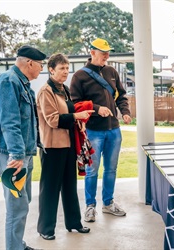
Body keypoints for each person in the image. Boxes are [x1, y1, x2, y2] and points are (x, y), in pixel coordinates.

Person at [0, 45, 46, 250]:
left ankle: (17, 244)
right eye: (40, 65)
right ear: (29, 63)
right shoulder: (8, 82)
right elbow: (9, 122)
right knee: (16, 207)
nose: (41, 69)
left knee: (23, 202)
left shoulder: (23, 84)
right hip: (11, 155)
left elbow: (27, 122)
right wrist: (17, 155)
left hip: (23, 154)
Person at [70, 38, 132, 222]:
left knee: (111, 169)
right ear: (92, 52)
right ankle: (90, 206)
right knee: (92, 171)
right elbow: (75, 104)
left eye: (107, 52)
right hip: (93, 131)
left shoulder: (112, 72)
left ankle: (108, 203)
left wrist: (125, 112)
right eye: (102, 52)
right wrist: (97, 109)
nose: (106, 55)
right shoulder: (79, 76)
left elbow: (121, 96)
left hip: (114, 130)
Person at [36, 53, 94, 240]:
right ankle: (45, 229)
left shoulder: (65, 90)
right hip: (52, 147)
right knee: (50, 188)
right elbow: (52, 120)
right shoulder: (46, 91)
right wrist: (77, 116)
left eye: (67, 68)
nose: (65, 72)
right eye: (61, 68)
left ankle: (74, 223)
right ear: (51, 70)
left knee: (70, 185)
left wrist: (79, 121)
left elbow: (69, 113)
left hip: (68, 145)